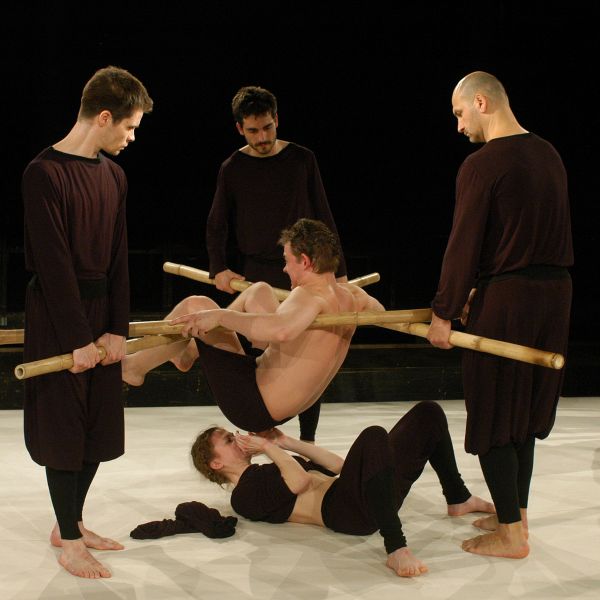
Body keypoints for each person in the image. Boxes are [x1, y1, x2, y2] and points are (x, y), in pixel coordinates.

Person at [426, 71, 573, 559]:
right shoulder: (548, 153)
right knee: (524, 411)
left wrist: (445, 312)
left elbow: (463, 243)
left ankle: (510, 535)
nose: (459, 126)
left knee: (491, 409)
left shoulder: (482, 164)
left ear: (481, 102)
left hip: (510, 299)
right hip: (555, 295)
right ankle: (517, 515)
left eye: (459, 113)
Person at [22, 66, 153, 578]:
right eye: (129, 126)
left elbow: (119, 257)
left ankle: (69, 523)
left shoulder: (115, 176)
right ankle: (70, 542)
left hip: (100, 313)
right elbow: (53, 265)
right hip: (58, 315)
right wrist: (77, 337)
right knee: (63, 427)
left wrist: (118, 328)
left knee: (99, 426)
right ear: (104, 117)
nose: (132, 137)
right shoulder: (43, 173)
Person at [123, 218, 382, 433]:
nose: (284, 269)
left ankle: (135, 368)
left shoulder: (308, 295)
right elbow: (381, 314)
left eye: (287, 260)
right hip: (279, 403)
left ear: (304, 261)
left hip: (253, 404)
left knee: (196, 305)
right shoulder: (353, 296)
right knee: (260, 290)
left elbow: (281, 331)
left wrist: (219, 317)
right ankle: (189, 350)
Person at [190, 401, 495, 577]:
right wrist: (270, 448)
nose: (238, 438)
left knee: (428, 413)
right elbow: (300, 482)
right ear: (216, 463)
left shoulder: (273, 465)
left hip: (360, 493)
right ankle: (396, 548)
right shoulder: (243, 495)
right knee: (373, 435)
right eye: (228, 440)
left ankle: (458, 497)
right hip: (346, 512)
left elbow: (338, 465)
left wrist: (285, 442)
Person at [206, 85, 348, 443]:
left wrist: (340, 274)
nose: (263, 137)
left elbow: (324, 216)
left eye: (268, 127)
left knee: (310, 349)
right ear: (240, 128)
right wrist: (218, 267)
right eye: (253, 130)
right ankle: (266, 433)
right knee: (264, 353)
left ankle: (308, 439)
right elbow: (217, 222)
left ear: (277, 120)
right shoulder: (232, 167)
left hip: (306, 271)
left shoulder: (302, 159)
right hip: (258, 270)